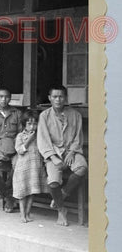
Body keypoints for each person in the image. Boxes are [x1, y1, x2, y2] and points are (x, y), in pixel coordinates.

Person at [37, 85, 88, 226]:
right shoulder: (44, 116)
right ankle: (61, 210)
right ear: (49, 98)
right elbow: (43, 140)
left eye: (61, 96)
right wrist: (53, 157)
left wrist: (72, 151)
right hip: (53, 153)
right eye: (54, 97)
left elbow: (78, 137)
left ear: (65, 98)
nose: (58, 99)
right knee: (53, 182)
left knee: (82, 168)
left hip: (71, 151)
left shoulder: (75, 115)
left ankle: (63, 194)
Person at [12, 110, 49, 223]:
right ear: (24, 124)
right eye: (29, 123)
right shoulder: (20, 136)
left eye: (34, 123)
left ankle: (28, 213)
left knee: (32, 191)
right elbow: (20, 150)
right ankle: (22, 214)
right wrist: (29, 140)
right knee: (23, 193)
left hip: (35, 168)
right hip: (23, 169)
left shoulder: (40, 136)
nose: (32, 126)